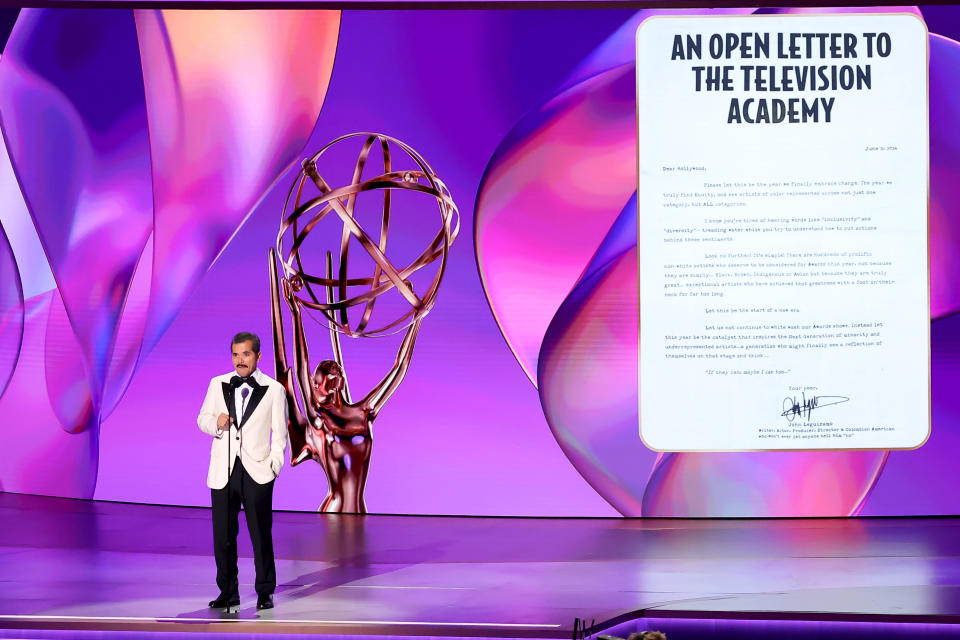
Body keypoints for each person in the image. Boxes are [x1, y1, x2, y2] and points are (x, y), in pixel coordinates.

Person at [197, 332, 288, 611]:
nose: (240, 360)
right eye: (236, 354)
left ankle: (264, 591)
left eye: (246, 354)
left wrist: (273, 466)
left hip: (257, 470)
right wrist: (217, 423)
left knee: (260, 534)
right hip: (223, 469)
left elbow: (280, 434)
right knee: (222, 536)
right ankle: (228, 592)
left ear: (258, 356)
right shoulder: (217, 384)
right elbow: (203, 419)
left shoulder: (274, 390)